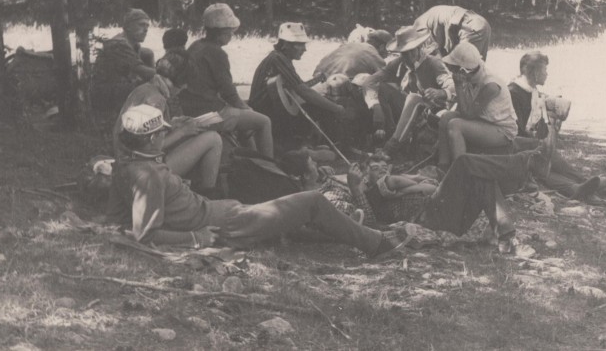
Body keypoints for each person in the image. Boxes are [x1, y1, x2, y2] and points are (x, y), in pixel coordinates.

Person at [107, 104, 417, 259]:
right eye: (159, 132)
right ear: (147, 139)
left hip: (226, 214)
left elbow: (125, 216)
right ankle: (376, 244)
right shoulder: (145, 174)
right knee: (310, 201)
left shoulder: (132, 163)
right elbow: (145, 234)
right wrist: (194, 238)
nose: (164, 133)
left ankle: (362, 230)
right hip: (227, 224)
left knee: (291, 218)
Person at [345, 146, 550, 251]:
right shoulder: (370, 193)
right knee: (463, 162)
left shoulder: (390, 184)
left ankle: (506, 238)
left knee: (483, 179)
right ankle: (523, 164)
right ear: (364, 176)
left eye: (382, 165)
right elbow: (369, 224)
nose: (380, 168)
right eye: (373, 168)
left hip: (444, 215)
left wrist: (418, 181)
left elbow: (415, 185)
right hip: (428, 217)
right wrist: (355, 189)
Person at [112, 49, 222, 195]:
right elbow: (148, 148)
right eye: (185, 83)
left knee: (198, 138)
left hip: (126, 162)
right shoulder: (156, 100)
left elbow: (143, 134)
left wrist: (173, 124)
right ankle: (208, 194)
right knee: (213, 139)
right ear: (177, 81)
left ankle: (197, 189)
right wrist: (182, 132)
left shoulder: (144, 89)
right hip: (141, 167)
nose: (185, 88)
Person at [508, 50, 606, 200]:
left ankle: (582, 186)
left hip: (529, 147)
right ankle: (579, 187)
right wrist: (537, 141)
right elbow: (515, 130)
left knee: (549, 160)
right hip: (516, 149)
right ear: (534, 72)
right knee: (544, 162)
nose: (546, 74)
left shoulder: (531, 91)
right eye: (544, 69)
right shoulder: (514, 92)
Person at [181, 3, 274, 158]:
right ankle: (269, 166)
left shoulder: (196, 45)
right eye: (230, 31)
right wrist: (247, 109)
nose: (232, 34)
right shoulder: (217, 53)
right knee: (264, 121)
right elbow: (228, 92)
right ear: (221, 32)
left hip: (190, 107)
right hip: (209, 113)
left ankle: (251, 158)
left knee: (245, 117)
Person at [249, 22, 348, 152]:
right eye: (300, 44)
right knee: (322, 106)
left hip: (271, 112)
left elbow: (295, 88)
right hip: (269, 115)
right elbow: (303, 90)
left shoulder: (279, 58)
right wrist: (336, 108)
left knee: (316, 104)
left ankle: (306, 146)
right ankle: (336, 148)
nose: (304, 49)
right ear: (286, 45)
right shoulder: (278, 59)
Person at [362, 25, 452, 155]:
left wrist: (440, 92)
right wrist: (375, 106)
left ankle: (391, 148)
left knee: (413, 98)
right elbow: (370, 81)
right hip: (407, 111)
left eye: (412, 51)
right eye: (405, 53)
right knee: (383, 89)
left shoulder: (433, 63)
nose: (409, 57)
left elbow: (451, 85)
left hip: (432, 111)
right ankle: (389, 136)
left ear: (419, 47)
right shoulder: (398, 63)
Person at [436, 41, 518, 171]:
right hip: (483, 120)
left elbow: (467, 114)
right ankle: (443, 166)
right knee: (446, 118)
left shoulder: (490, 85)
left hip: (501, 130)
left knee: (455, 125)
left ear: (463, 70)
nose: (451, 70)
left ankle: (460, 173)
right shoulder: (471, 75)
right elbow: (463, 109)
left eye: (454, 68)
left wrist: (458, 86)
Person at [91, 9, 156, 116]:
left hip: (117, 88)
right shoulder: (118, 44)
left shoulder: (134, 45)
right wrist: (168, 76)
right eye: (141, 25)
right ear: (129, 27)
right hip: (105, 92)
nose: (146, 30)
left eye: (147, 26)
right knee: (151, 88)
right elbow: (142, 71)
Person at [414, 5, 491, 61]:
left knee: (464, 69)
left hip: (469, 26)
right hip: (480, 22)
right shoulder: (428, 17)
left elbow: (436, 50)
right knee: (477, 67)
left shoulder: (420, 27)